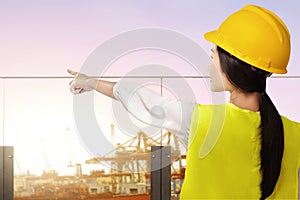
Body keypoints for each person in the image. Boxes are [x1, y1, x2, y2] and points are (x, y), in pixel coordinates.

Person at [68, 4, 300, 199]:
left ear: (231, 63)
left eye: (213, 56)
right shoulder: (295, 133)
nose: (209, 66)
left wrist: (90, 83)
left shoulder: (199, 120)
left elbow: (139, 99)